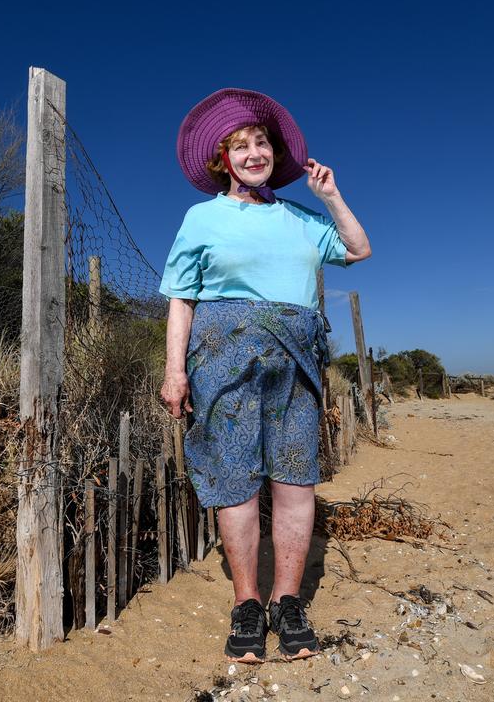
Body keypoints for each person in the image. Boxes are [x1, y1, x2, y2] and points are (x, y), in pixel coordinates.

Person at [159, 89, 371, 662]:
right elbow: (180, 298)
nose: (254, 153)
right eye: (241, 146)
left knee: (296, 481)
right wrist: (174, 371)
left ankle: (288, 601)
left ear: (276, 155)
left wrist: (329, 195)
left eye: (262, 144)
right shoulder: (201, 218)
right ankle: (247, 602)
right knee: (235, 482)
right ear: (222, 160)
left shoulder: (301, 219)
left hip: (296, 361)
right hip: (221, 360)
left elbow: (359, 248)